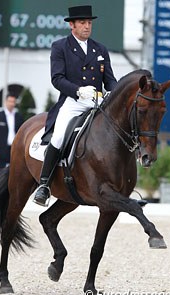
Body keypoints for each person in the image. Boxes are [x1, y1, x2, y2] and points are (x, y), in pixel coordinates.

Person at [33, 5, 117, 206]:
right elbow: (57, 78)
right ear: (72, 25)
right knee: (60, 135)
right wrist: (78, 90)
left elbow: (110, 80)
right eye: (82, 23)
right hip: (74, 101)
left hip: (97, 102)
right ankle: (44, 185)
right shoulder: (60, 46)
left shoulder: (100, 49)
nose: (87, 26)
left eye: (89, 23)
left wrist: (115, 91)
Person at [0, 93, 24, 175]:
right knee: (0, 173)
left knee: (13, 172)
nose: (12, 104)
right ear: (5, 102)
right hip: (1, 149)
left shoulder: (18, 117)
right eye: (10, 101)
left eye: (13, 102)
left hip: (14, 148)